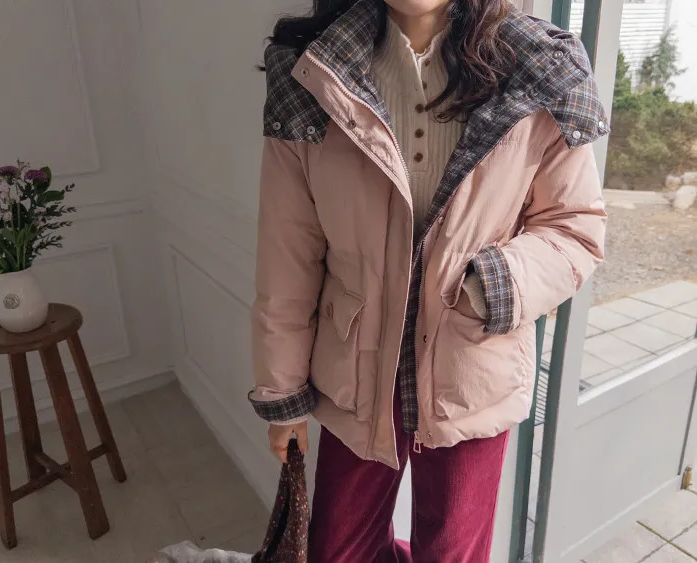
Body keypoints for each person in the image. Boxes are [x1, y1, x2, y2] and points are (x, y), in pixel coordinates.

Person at [249, 0, 607, 561]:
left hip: (472, 366)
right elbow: (288, 252)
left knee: (452, 553)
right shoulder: (311, 68)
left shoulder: (538, 65)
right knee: (337, 550)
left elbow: (575, 226)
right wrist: (283, 395)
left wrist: (489, 285)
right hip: (354, 368)